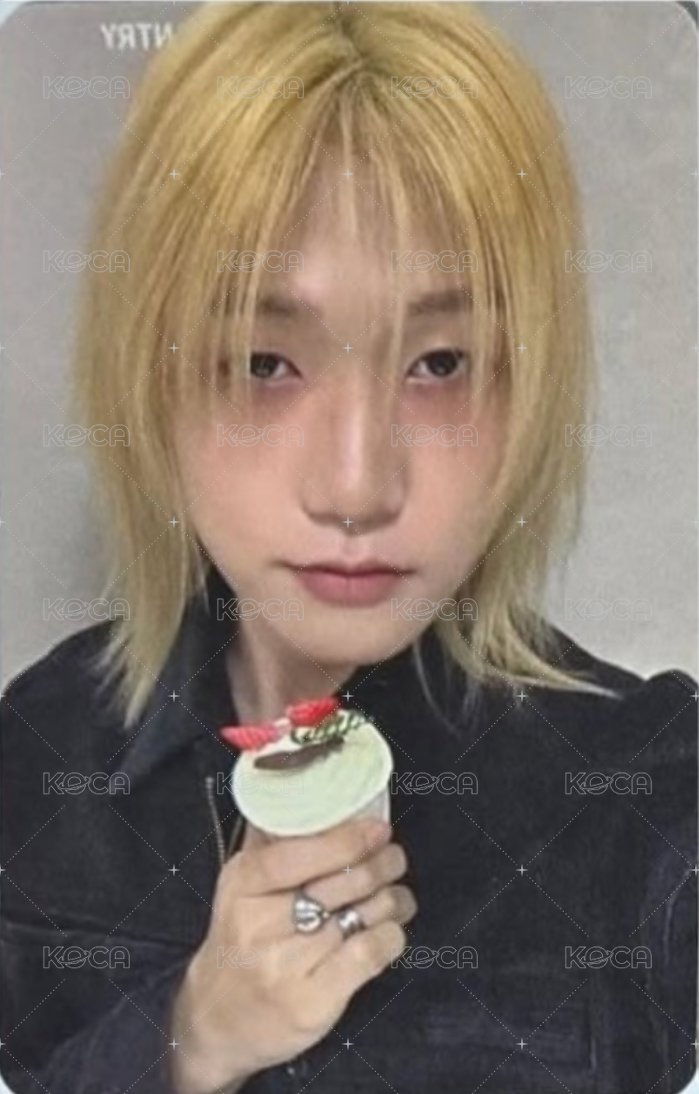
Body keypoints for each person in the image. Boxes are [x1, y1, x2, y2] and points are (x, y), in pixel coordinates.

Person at [0, 2, 696, 1093]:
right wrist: (186, 1039)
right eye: (264, 363)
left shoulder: (645, 798)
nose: (358, 486)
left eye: (441, 363)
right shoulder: (37, 757)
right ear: (150, 378)